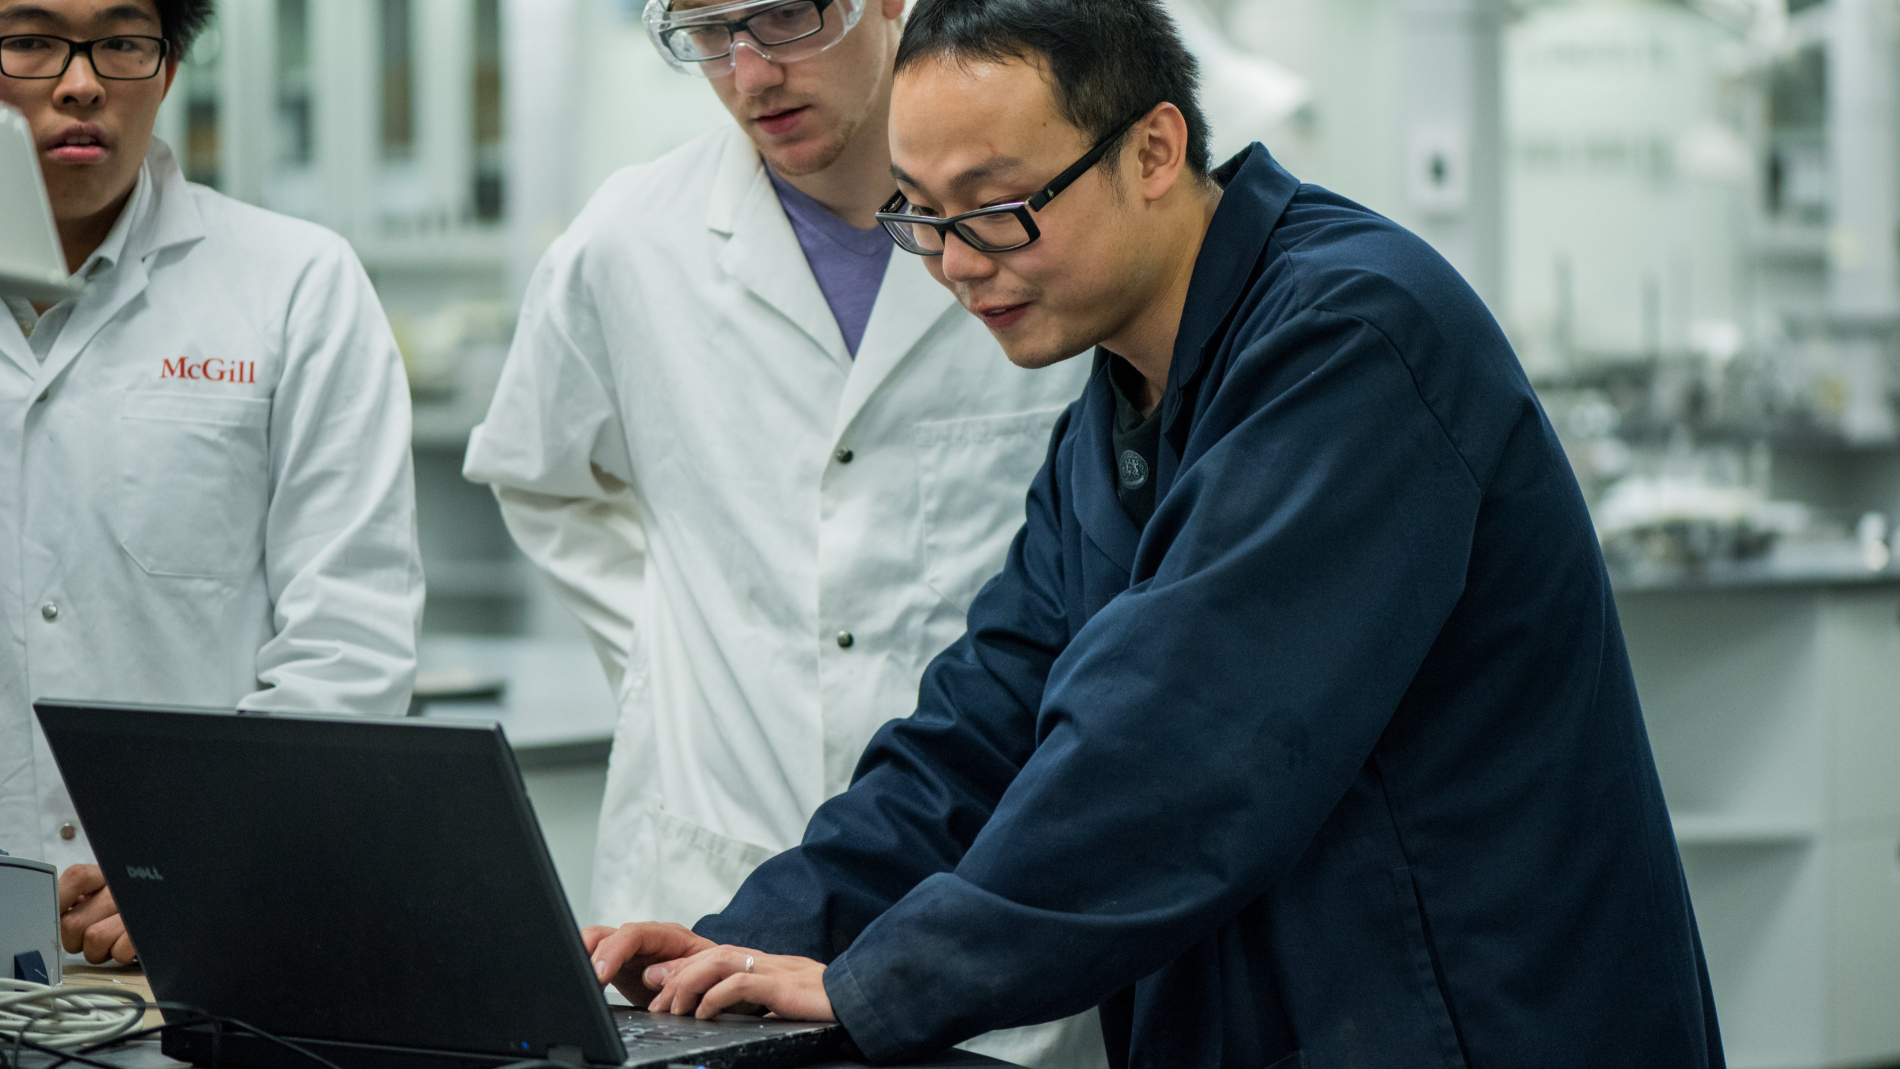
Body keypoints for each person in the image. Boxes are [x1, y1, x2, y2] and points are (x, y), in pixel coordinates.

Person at [581, 0, 1726, 1065]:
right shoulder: (1122, 399)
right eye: (922, 217)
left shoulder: (1353, 337)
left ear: (1153, 150)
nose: (961, 265)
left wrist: (881, 981)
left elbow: (1186, 742)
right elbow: (986, 723)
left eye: (993, 205)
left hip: (1464, 1012)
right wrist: (737, 944)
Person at [460, 0, 1097, 1063]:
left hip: (988, 874)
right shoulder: (628, 241)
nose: (749, 72)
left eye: (787, 16)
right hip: (705, 878)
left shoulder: (1035, 237)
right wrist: (669, 653)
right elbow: (537, 474)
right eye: (705, 33)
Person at [0, 0, 423, 965]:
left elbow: (349, 646)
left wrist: (199, 865)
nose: (79, 82)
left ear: (172, 65)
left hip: (217, 947)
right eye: (28, 41)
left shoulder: (295, 285)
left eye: (120, 41)